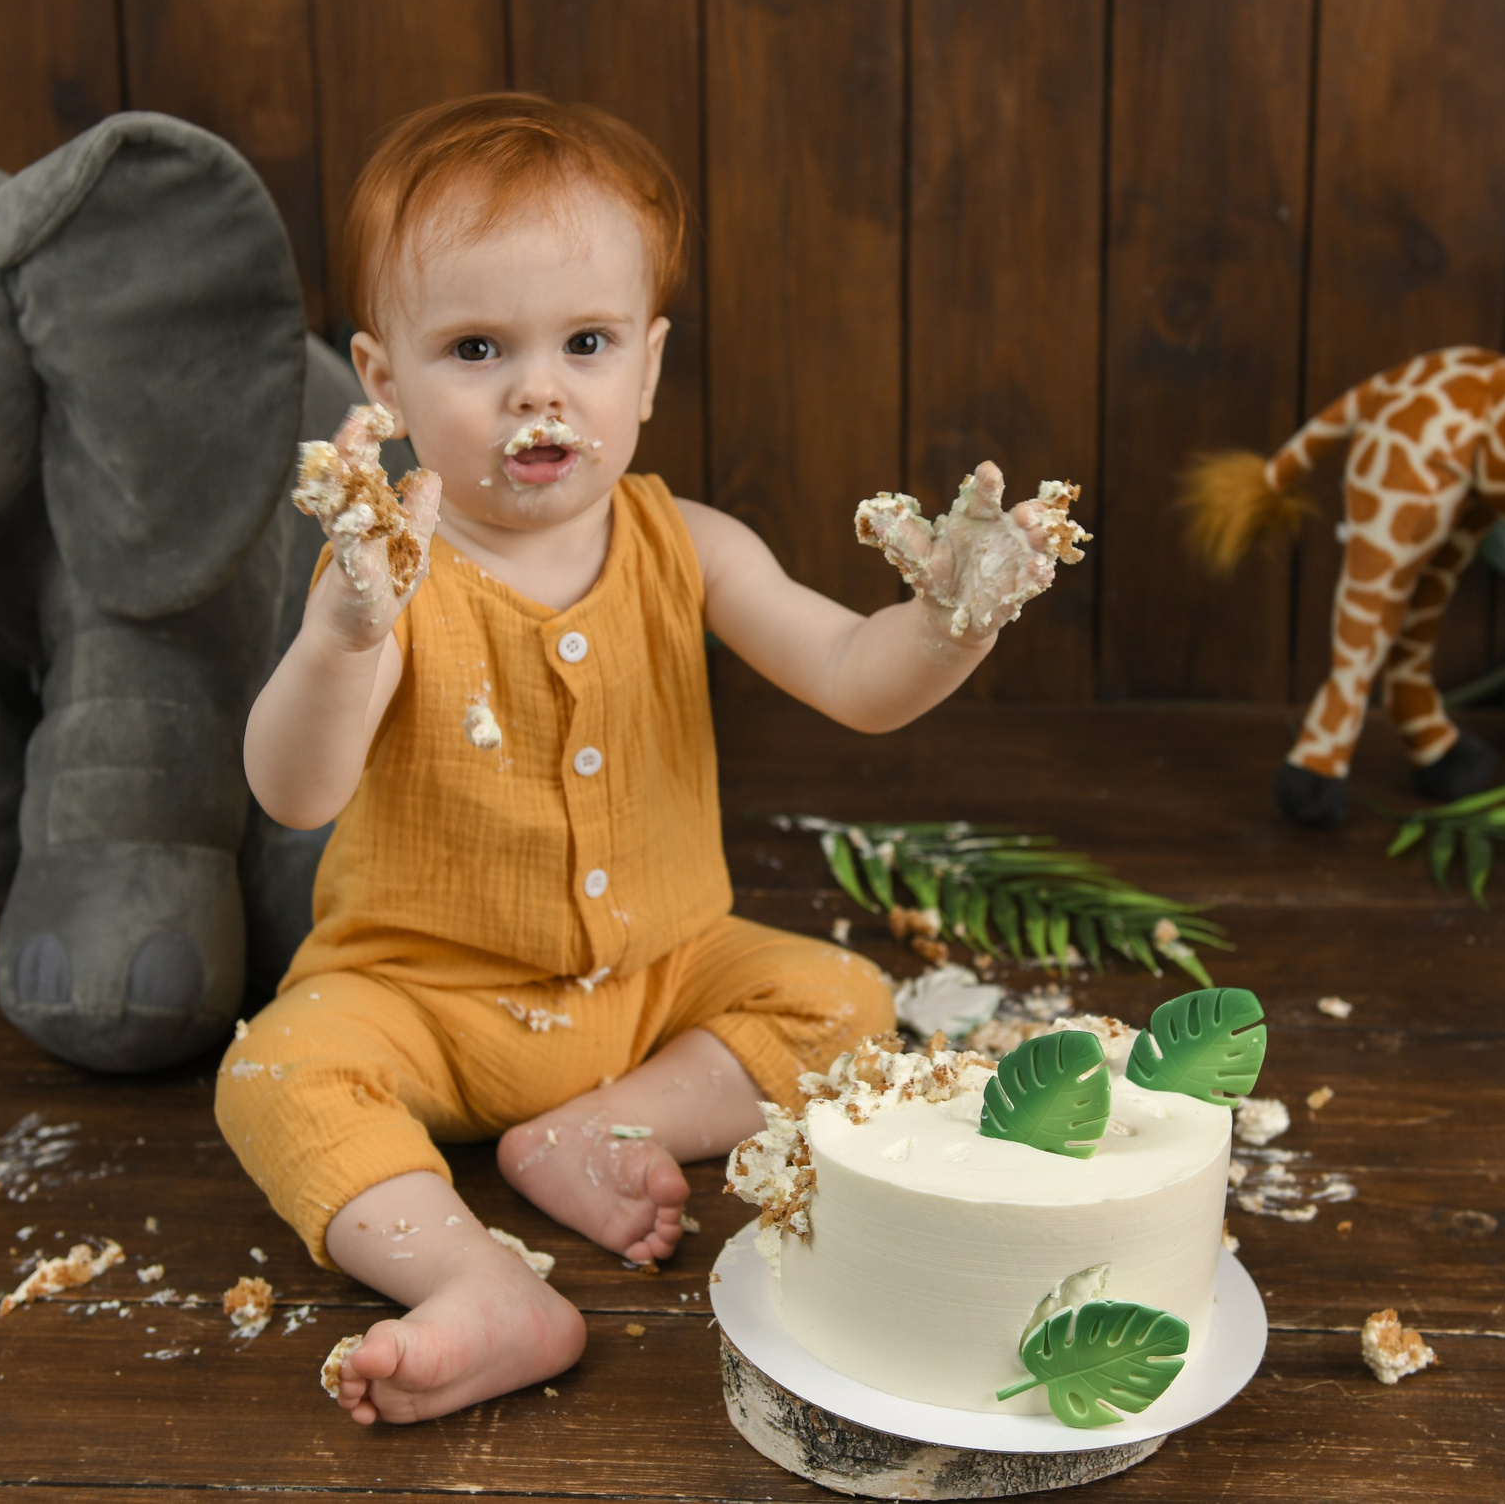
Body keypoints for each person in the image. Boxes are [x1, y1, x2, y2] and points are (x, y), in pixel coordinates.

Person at [225, 93, 1088, 1424]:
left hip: (662, 980)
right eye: (475, 348)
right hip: (427, 1001)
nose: (538, 390)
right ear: (382, 383)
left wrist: (951, 622)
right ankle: (477, 1284)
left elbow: (857, 678)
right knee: (276, 1074)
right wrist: (342, 636)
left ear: (647, 365)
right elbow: (295, 794)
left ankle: (597, 1128)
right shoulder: (389, 574)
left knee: (847, 1001)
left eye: (586, 342)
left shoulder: (692, 542)